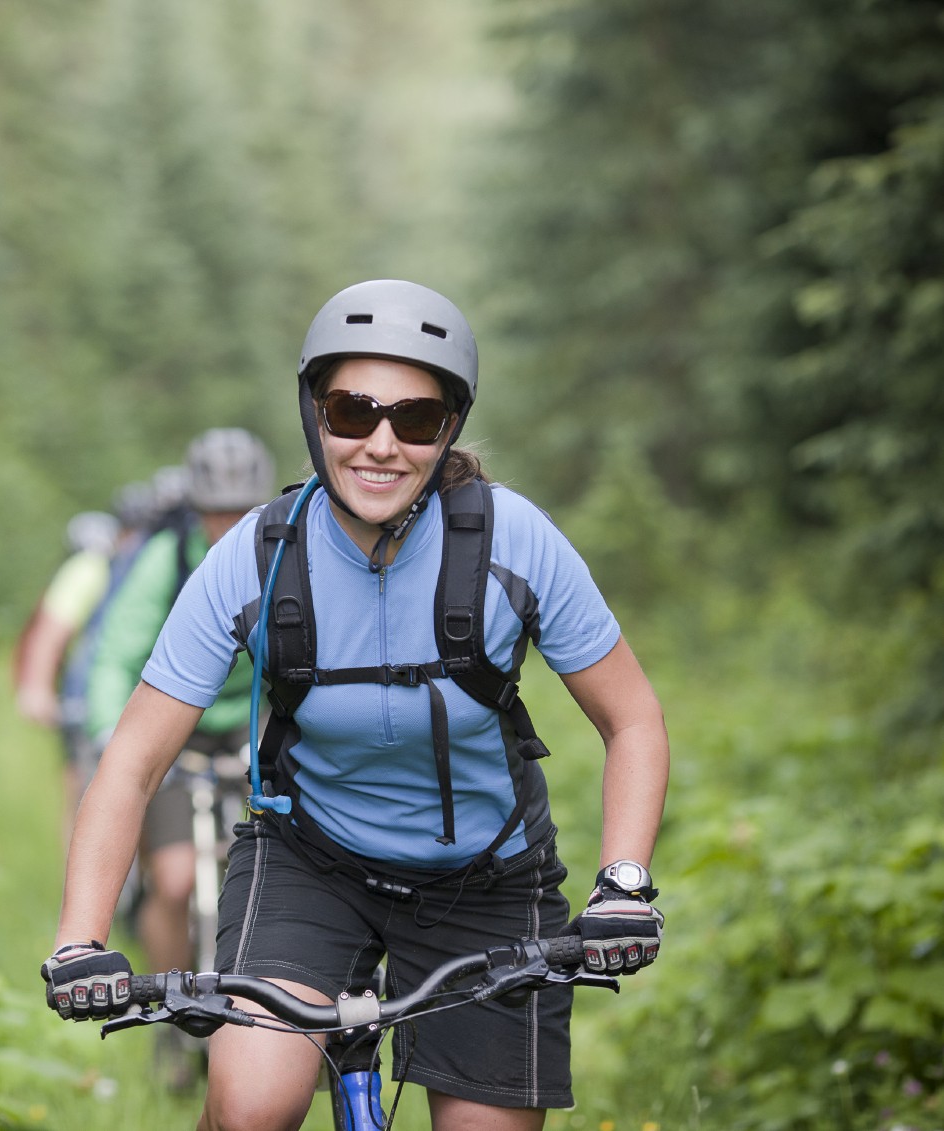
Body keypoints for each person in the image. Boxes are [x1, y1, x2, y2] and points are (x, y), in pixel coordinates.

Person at [41, 280, 669, 1131]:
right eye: (352, 411)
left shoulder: (514, 541)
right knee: (252, 1100)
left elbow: (631, 719)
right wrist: (80, 938)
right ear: (315, 416)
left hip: (486, 880)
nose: (381, 444)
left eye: (413, 420)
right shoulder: (254, 555)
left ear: (447, 428)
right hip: (310, 860)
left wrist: (622, 884)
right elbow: (133, 760)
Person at [82, 427, 276, 1089]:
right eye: (214, 510)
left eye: (239, 509)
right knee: (171, 881)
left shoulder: (279, 555)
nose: (226, 524)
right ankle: (170, 1017)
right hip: (176, 736)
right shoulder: (165, 560)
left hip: (254, 730)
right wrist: (114, 734)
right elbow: (117, 652)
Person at [13, 509, 123, 837]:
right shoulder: (95, 567)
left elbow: (49, 631)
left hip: (87, 697)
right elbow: (52, 631)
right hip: (89, 696)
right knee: (85, 790)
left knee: (81, 793)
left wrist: (36, 687)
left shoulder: (88, 566)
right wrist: (36, 687)